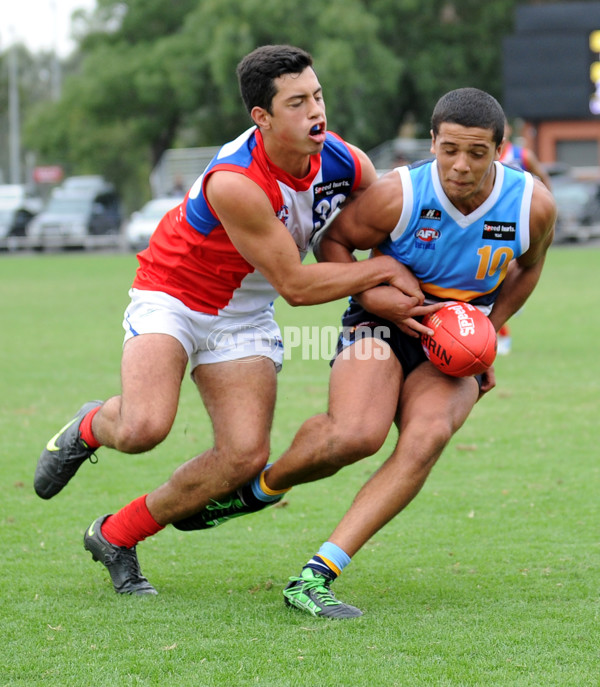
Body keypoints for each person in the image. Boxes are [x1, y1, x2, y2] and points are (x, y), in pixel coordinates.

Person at [33, 45, 432, 596]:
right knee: (144, 427)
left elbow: (386, 218)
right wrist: (381, 272)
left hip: (242, 316)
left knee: (244, 456)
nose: (316, 111)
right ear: (261, 118)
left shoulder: (345, 160)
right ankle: (89, 426)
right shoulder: (236, 181)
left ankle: (115, 535)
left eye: (317, 96)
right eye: (296, 103)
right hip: (173, 295)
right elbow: (295, 285)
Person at [176, 87, 556, 618]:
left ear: (501, 148)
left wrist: (488, 331)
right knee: (355, 435)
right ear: (432, 142)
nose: (461, 166)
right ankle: (259, 489)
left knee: (426, 438)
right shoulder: (399, 193)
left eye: (477, 152)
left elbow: (530, 265)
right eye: (449, 149)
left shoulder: (531, 204)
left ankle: (315, 577)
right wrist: (380, 296)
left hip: (457, 337)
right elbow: (333, 244)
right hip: (381, 321)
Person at [497, 118, 551, 354]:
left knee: (510, 275)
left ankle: (504, 318)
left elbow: (542, 177)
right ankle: (501, 334)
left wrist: (544, 205)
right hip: (490, 224)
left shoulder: (523, 155)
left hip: (516, 224)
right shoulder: (483, 153)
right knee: (493, 280)